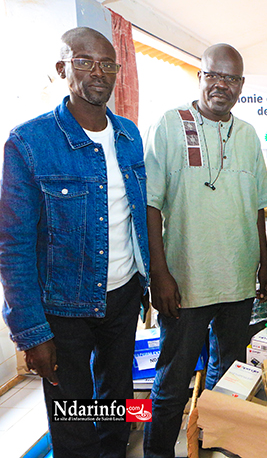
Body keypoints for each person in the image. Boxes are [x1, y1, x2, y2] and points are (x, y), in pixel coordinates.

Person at [0, 27, 149, 457]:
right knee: (73, 421)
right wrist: (31, 333)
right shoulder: (29, 141)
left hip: (123, 300)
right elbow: (13, 244)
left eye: (107, 64)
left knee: (118, 409)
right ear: (62, 68)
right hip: (63, 308)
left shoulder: (128, 135)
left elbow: (136, 217)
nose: (97, 73)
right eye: (84, 61)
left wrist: (148, 282)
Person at [143, 44, 267, 457]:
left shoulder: (248, 134)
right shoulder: (168, 123)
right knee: (172, 379)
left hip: (236, 280)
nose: (221, 85)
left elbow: (256, 205)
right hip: (186, 280)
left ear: (241, 85)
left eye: (231, 78)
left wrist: (263, 265)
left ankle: (211, 447)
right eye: (212, 75)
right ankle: (159, 452)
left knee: (229, 375)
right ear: (199, 76)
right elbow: (150, 204)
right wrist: (159, 274)